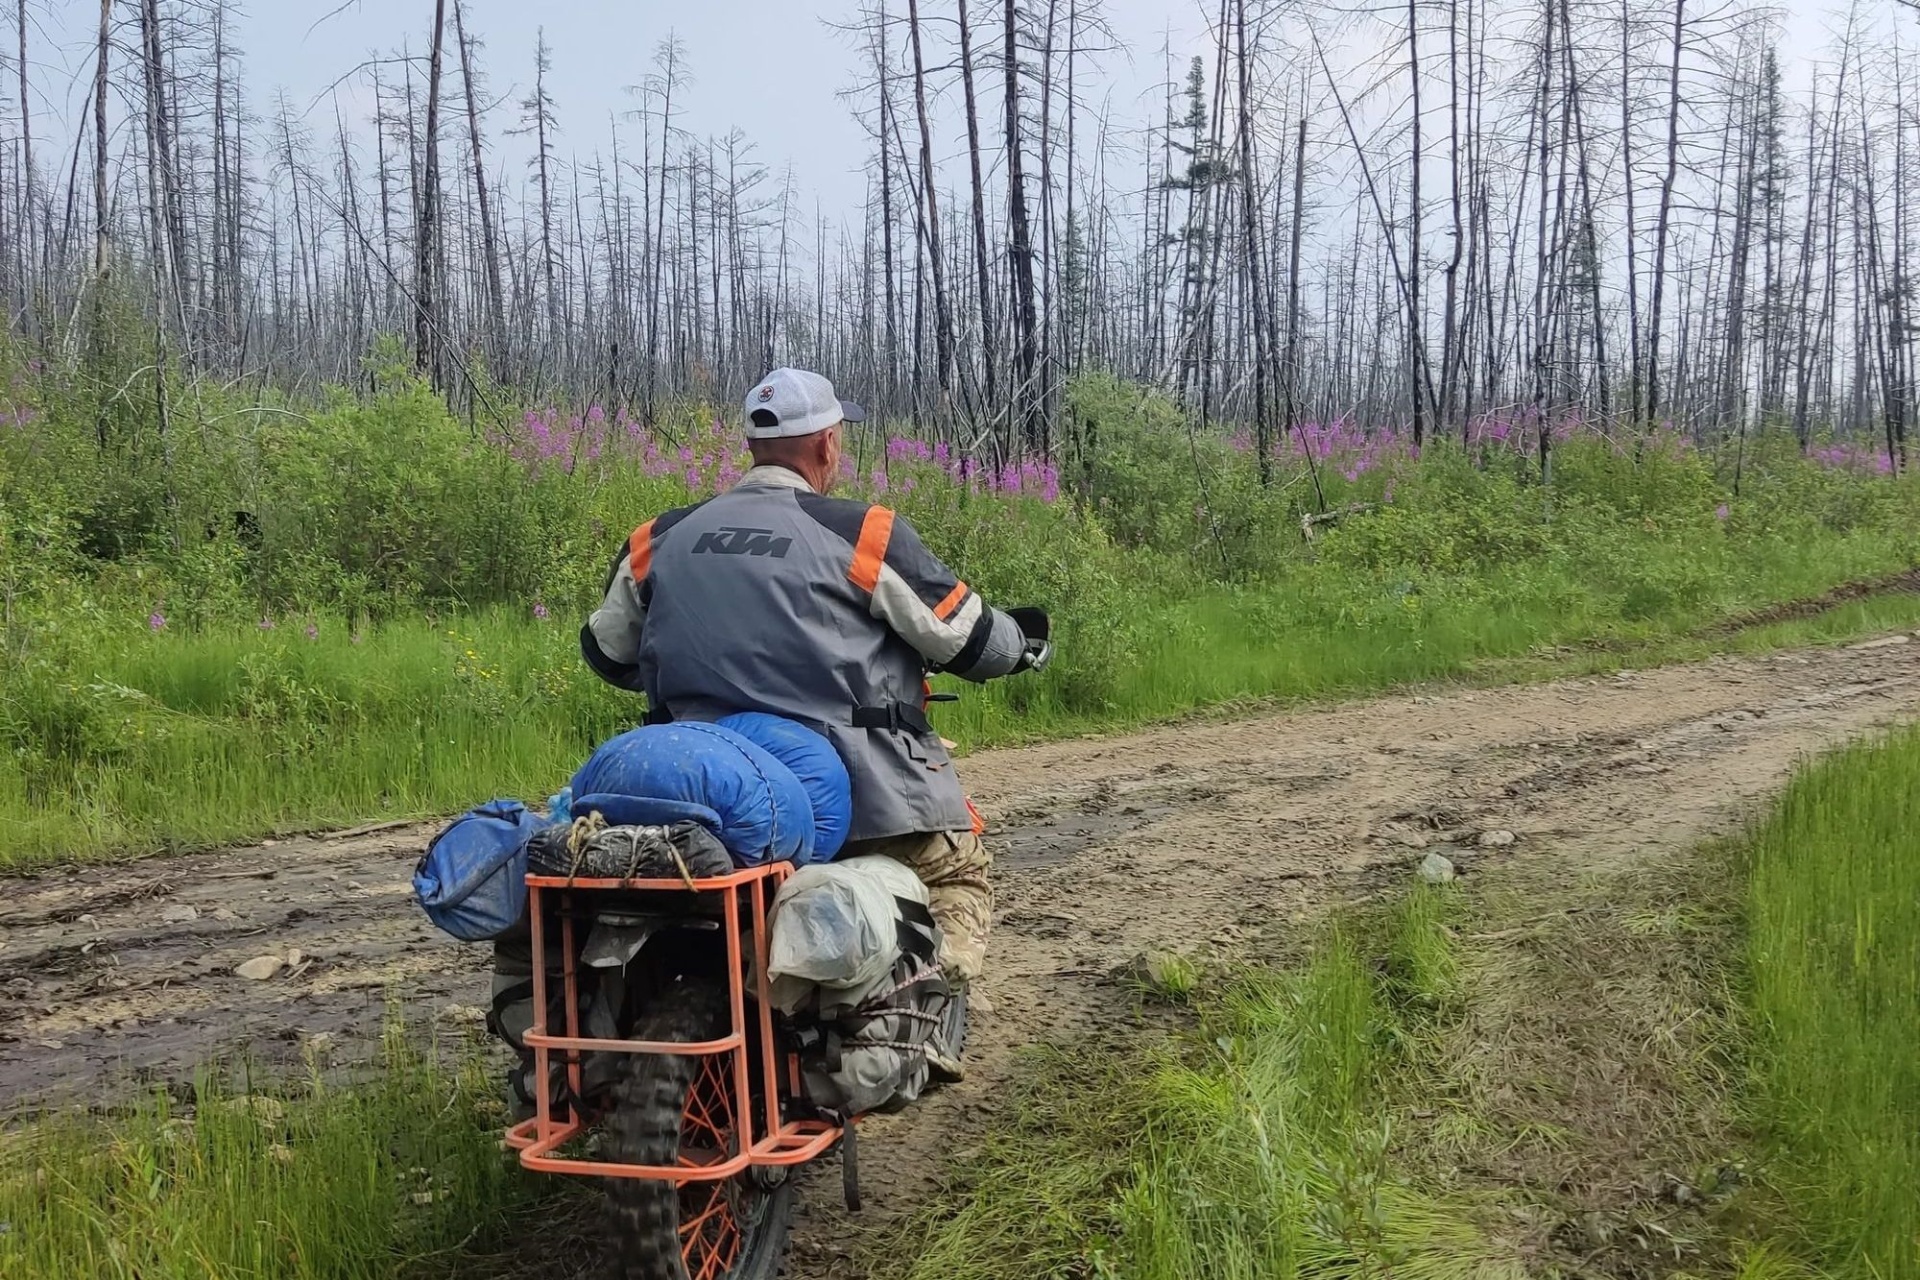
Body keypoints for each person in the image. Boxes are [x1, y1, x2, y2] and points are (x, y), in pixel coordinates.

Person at [575, 367, 1047, 1079]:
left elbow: (607, 653)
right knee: (958, 873)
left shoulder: (658, 538)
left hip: (700, 788)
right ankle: (917, 1030)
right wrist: (1024, 644)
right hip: (862, 795)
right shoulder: (864, 532)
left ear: (752, 444)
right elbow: (972, 640)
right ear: (827, 444)